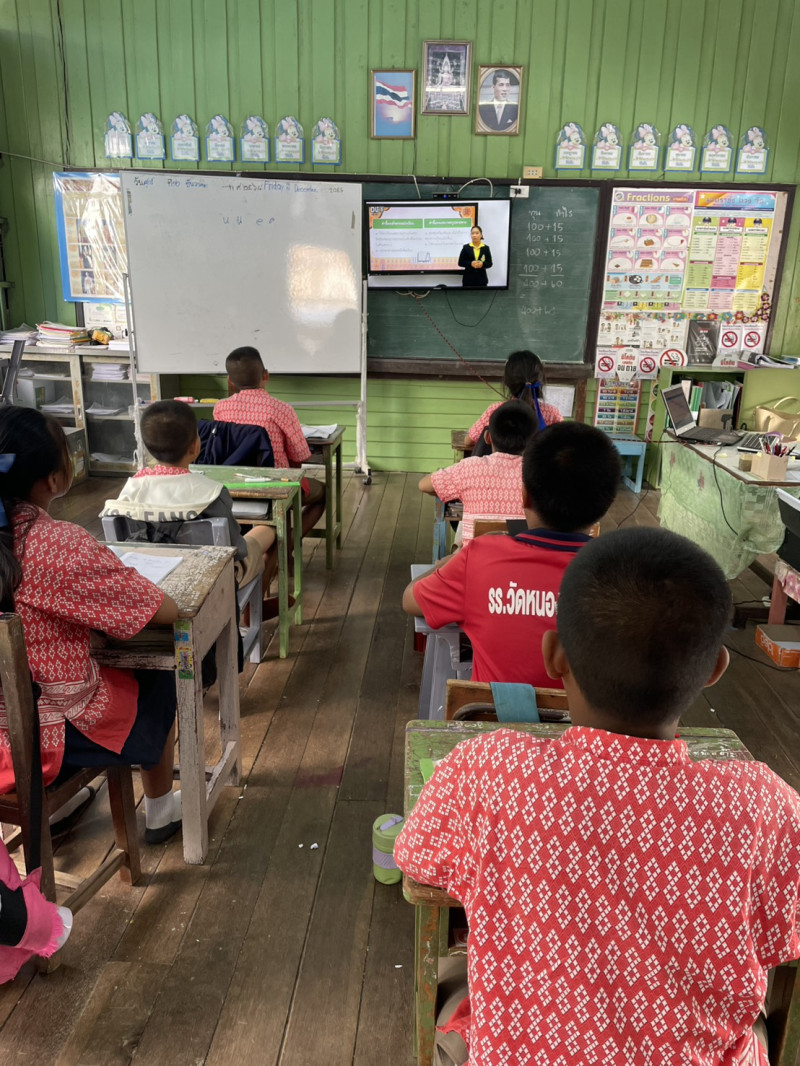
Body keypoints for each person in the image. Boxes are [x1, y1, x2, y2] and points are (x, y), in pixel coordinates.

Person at [396, 526, 800, 1065]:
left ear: (554, 656)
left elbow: (415, 857)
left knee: (457, 976)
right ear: (713, 670)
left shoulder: (489, 772)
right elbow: (780, 938)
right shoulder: (764, 808)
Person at [0, 407, 182, 845]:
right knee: (161, 674)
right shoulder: (55, 545)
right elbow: (163, 610)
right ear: (54, 478)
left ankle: (58, 810)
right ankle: (160, 810)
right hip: (39, 742)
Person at [404, 422, 620, 687]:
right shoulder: (622, 577)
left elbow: (410, 599)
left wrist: (449, 561)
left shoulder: (481, 558)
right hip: (583, 715)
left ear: (524, 496)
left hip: (493, 712)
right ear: (606, 505)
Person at [102, 399, 277, 599]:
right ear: (195, 446)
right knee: (268, 531)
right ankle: (254, 608)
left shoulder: (130, 490)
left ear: (148, 448)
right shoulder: (211, 492)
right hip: (210, 581)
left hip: (147, 580)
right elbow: (236, 550)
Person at [213, 347, 325, 539]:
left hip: (233, 484)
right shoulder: (281, 409)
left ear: (230, 381)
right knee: (323, 492)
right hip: (275, 485)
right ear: (266, 375)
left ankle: (272, 545)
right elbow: (300, 455)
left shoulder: (220, 408)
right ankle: (287, 544)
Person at [419, 401, 538, 544]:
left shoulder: (469, 468)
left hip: (474, 556)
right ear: (534, 440)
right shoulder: (539, 473)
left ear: (487, 437)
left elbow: (423, 485)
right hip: (523, 556)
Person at [466, 350, 562, 455]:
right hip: (538, 466)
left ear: (507, 382)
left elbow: (468, 441)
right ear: (540, 380)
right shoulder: (552, 414)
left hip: (501, 466)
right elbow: (565, 444)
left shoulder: (497, 411)